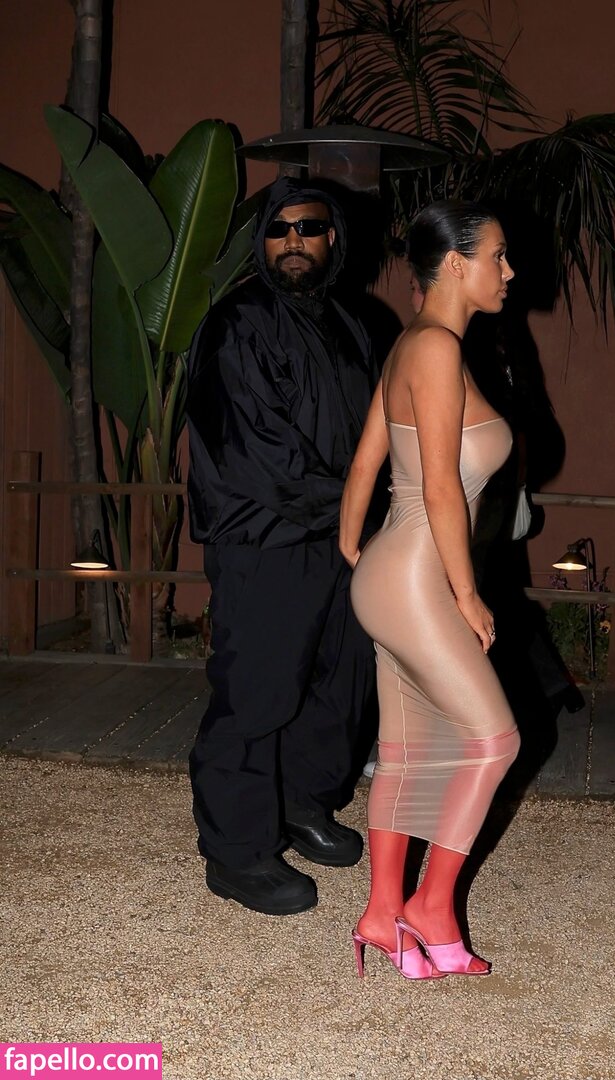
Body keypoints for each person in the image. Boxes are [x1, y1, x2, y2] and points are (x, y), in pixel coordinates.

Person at [186, 177, 378, 917]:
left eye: (310, 227)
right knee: (258, 692)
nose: (294, 241)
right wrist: (354, 504)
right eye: (280, 229)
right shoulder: (237, 324)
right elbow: (256, 453)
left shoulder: (353, 323)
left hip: (343, 541)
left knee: (340, 683)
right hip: (264, 541)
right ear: (262, 242)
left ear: (333, 239)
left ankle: (300, 802)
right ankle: (237, 851)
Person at [339, 200, 521, 979]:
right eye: (497, 256)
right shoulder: (438, 348)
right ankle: (431, 906)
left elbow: (365, 463)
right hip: (417, 575)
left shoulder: (411, 343)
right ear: (455, 263)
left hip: (392, 569)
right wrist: (466, 594)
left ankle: (383, 915)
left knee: (406, 754)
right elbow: (442, 488)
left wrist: (357, 549)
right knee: (495, 741)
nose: (509, 271)